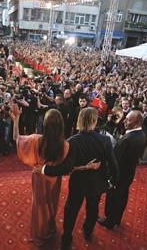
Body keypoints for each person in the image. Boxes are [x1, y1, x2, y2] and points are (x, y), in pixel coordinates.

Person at [9, 105, 99, 246]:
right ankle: (49, 229)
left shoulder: (35, 140)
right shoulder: (65, 145)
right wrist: (86, 167)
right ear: (61, 125)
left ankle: (39, 234)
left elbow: (16, 139)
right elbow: (68, 169)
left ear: (44, 124)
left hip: (39, 178)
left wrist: (16, 119)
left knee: (38, 206)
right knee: (51, 204)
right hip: (54, 180)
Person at [38, 107, 119, 250]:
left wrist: (44, 169)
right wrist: (111, 182)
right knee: (93, 208)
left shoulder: (72, 141)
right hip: (96, 184)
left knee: (71, 210)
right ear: (94, 121)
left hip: (77, 184)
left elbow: (65, 168)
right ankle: (88, 232)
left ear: (79, 121)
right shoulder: (105, 140)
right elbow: (114, 166)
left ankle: (67, 238)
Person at [97, 110, 147, 230]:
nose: (124, 121)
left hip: (118, 175)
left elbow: (115, 160)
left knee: (113, 198)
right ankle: (117, 218)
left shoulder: (127, 139)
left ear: (137, 122)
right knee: (122, 196)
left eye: (128, 120)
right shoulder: (142, 135)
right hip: (128, 174)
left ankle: (109, 221)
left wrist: (108, 176)